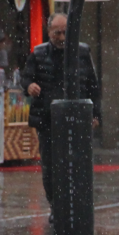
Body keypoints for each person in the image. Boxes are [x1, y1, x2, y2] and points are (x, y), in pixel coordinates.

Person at [21, 13, 101, 212]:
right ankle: (55, 205)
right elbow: (26, 78)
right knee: (50, 165)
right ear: (49, 32)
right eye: (57, 33)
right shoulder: (38, 53)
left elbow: (93, 85)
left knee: (77, 164)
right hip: (48, 118)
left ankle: (75, 204)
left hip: (76, 117)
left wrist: (95, 114)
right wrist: (30, 86)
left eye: (66, 32)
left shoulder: (82, 52)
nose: (62, 38)